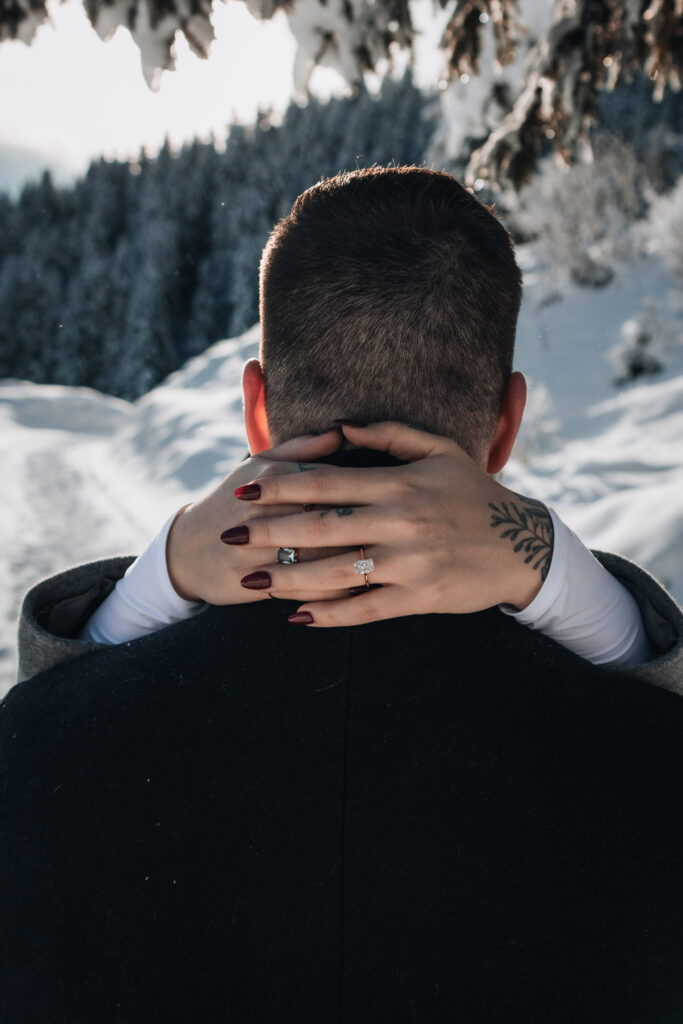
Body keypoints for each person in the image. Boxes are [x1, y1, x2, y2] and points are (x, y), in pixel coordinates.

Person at [3, 166, 683, 1023]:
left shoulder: (40, 754)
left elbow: (42, 721)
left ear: (256, 412)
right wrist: (557, 570)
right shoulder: (650, 765)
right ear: (507, 424)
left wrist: (157, 578)